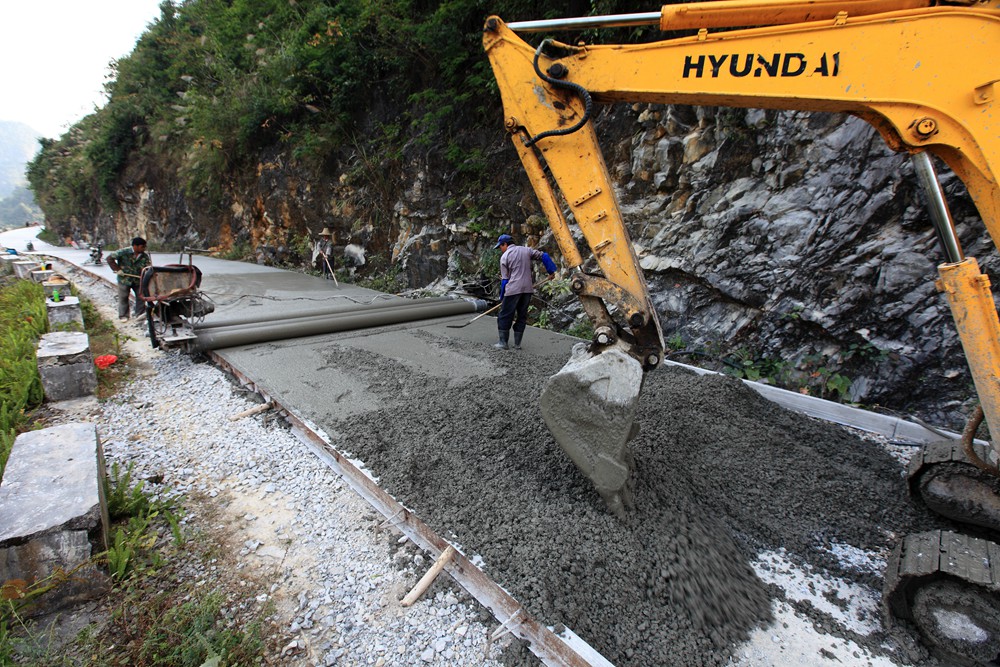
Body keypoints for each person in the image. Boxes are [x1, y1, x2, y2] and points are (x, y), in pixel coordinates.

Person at [493, 233, 557, 350]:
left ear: (505, 244)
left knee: (505, 315)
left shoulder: (505, 256)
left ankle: (503, 343)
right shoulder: (526, 250)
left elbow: (505, 281)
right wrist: (551, 271)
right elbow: (544, 256)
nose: (500, 249)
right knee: (521, 316)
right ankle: (517, 344)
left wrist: (502, 297)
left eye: (500, 247)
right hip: (527, 289)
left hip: (513, 289)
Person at [106, 237, 151, 321]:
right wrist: (117, 269)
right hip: (124, 279)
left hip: (138, 280)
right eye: (142, 247)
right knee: (123, 297)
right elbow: (109, 258)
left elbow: (147, 268)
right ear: (135, 246)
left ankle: (139, 314)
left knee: (141, 297)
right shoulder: (123, 252)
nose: (144, 249)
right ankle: (124, 315)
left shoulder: (144, 256)